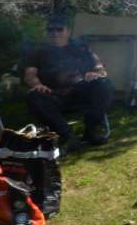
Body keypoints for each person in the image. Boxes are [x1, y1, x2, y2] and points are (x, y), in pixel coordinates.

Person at [23, 14, 113, 152]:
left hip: (80, 91)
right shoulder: (38, 52)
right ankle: (68, 137)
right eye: (51, 30)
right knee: (33, 96)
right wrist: (37, 85)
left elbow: (99, 67)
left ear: (68, 31)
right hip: (54, 95)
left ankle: (91, 131)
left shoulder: (81, 48)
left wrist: (97, 73)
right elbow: (30, 74)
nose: (55, 33)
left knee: (104, 84)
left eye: (59, 29)